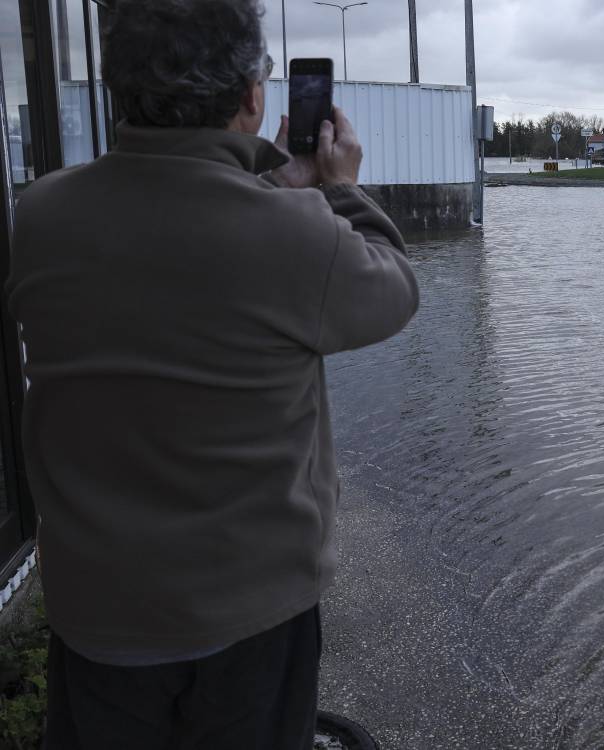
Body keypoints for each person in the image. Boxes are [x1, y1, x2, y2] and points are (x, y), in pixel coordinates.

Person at [4, 0, 419, 746]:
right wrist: (337, 189)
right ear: (254, 99)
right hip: (250, 613)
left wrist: (278, 190)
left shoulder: (38, 215)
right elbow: (392, 291)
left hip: (96, 607)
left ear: (116, 90)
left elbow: (172, 229)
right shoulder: (295, 235)